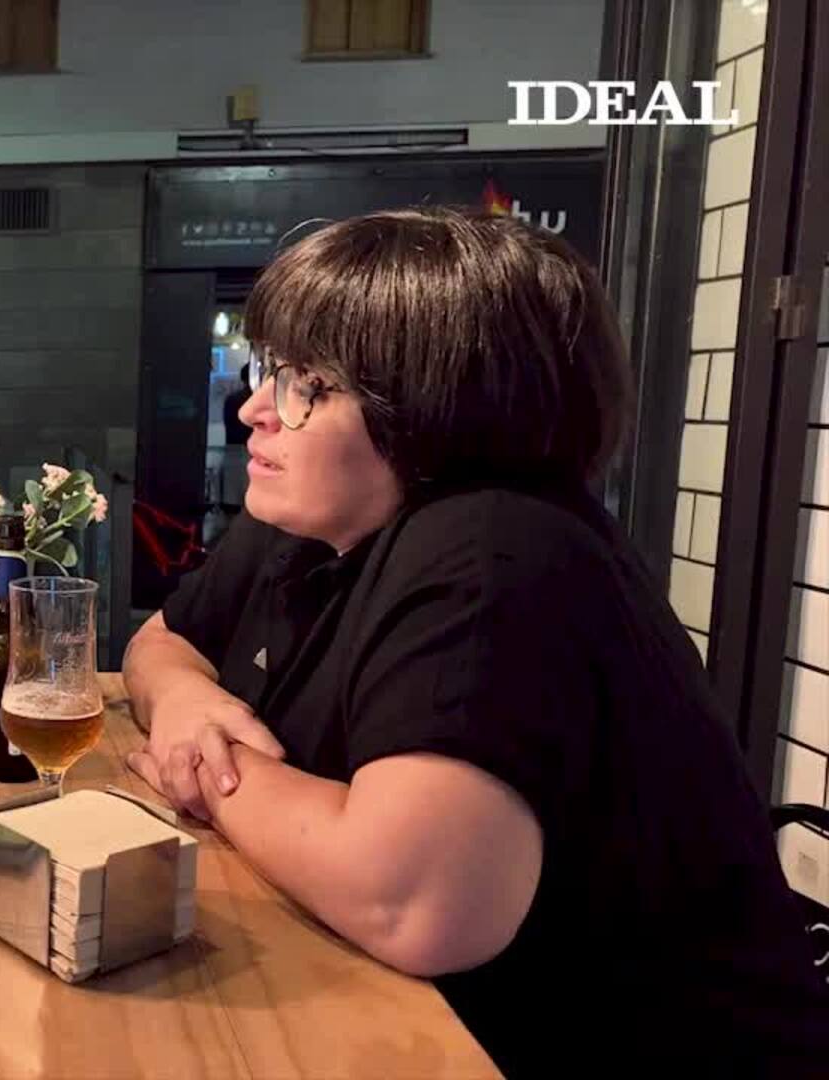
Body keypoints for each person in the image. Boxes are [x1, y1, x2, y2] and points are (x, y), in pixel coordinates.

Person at [123, 207, 829, 1076]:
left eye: (309, 384)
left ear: (434, 406)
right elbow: (159, 643)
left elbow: (411, 903)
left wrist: (209, 773)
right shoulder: (306, 521)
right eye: (273, 369)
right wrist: (187, 703)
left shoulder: (495, 550)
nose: (253, 408)